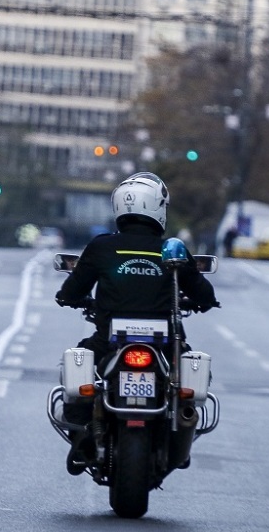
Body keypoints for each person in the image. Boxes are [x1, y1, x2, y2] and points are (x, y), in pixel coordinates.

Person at [54, 172, 219, 472]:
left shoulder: (102, 247)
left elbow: (72, 290)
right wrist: (202, 301)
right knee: (186, 382)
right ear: (158, 207)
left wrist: (69, 297)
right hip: (166, 345)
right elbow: (205, 294)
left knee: (80, 363)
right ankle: (181, 433)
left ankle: (81, 436)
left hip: (109, 342)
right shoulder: (172, 249)